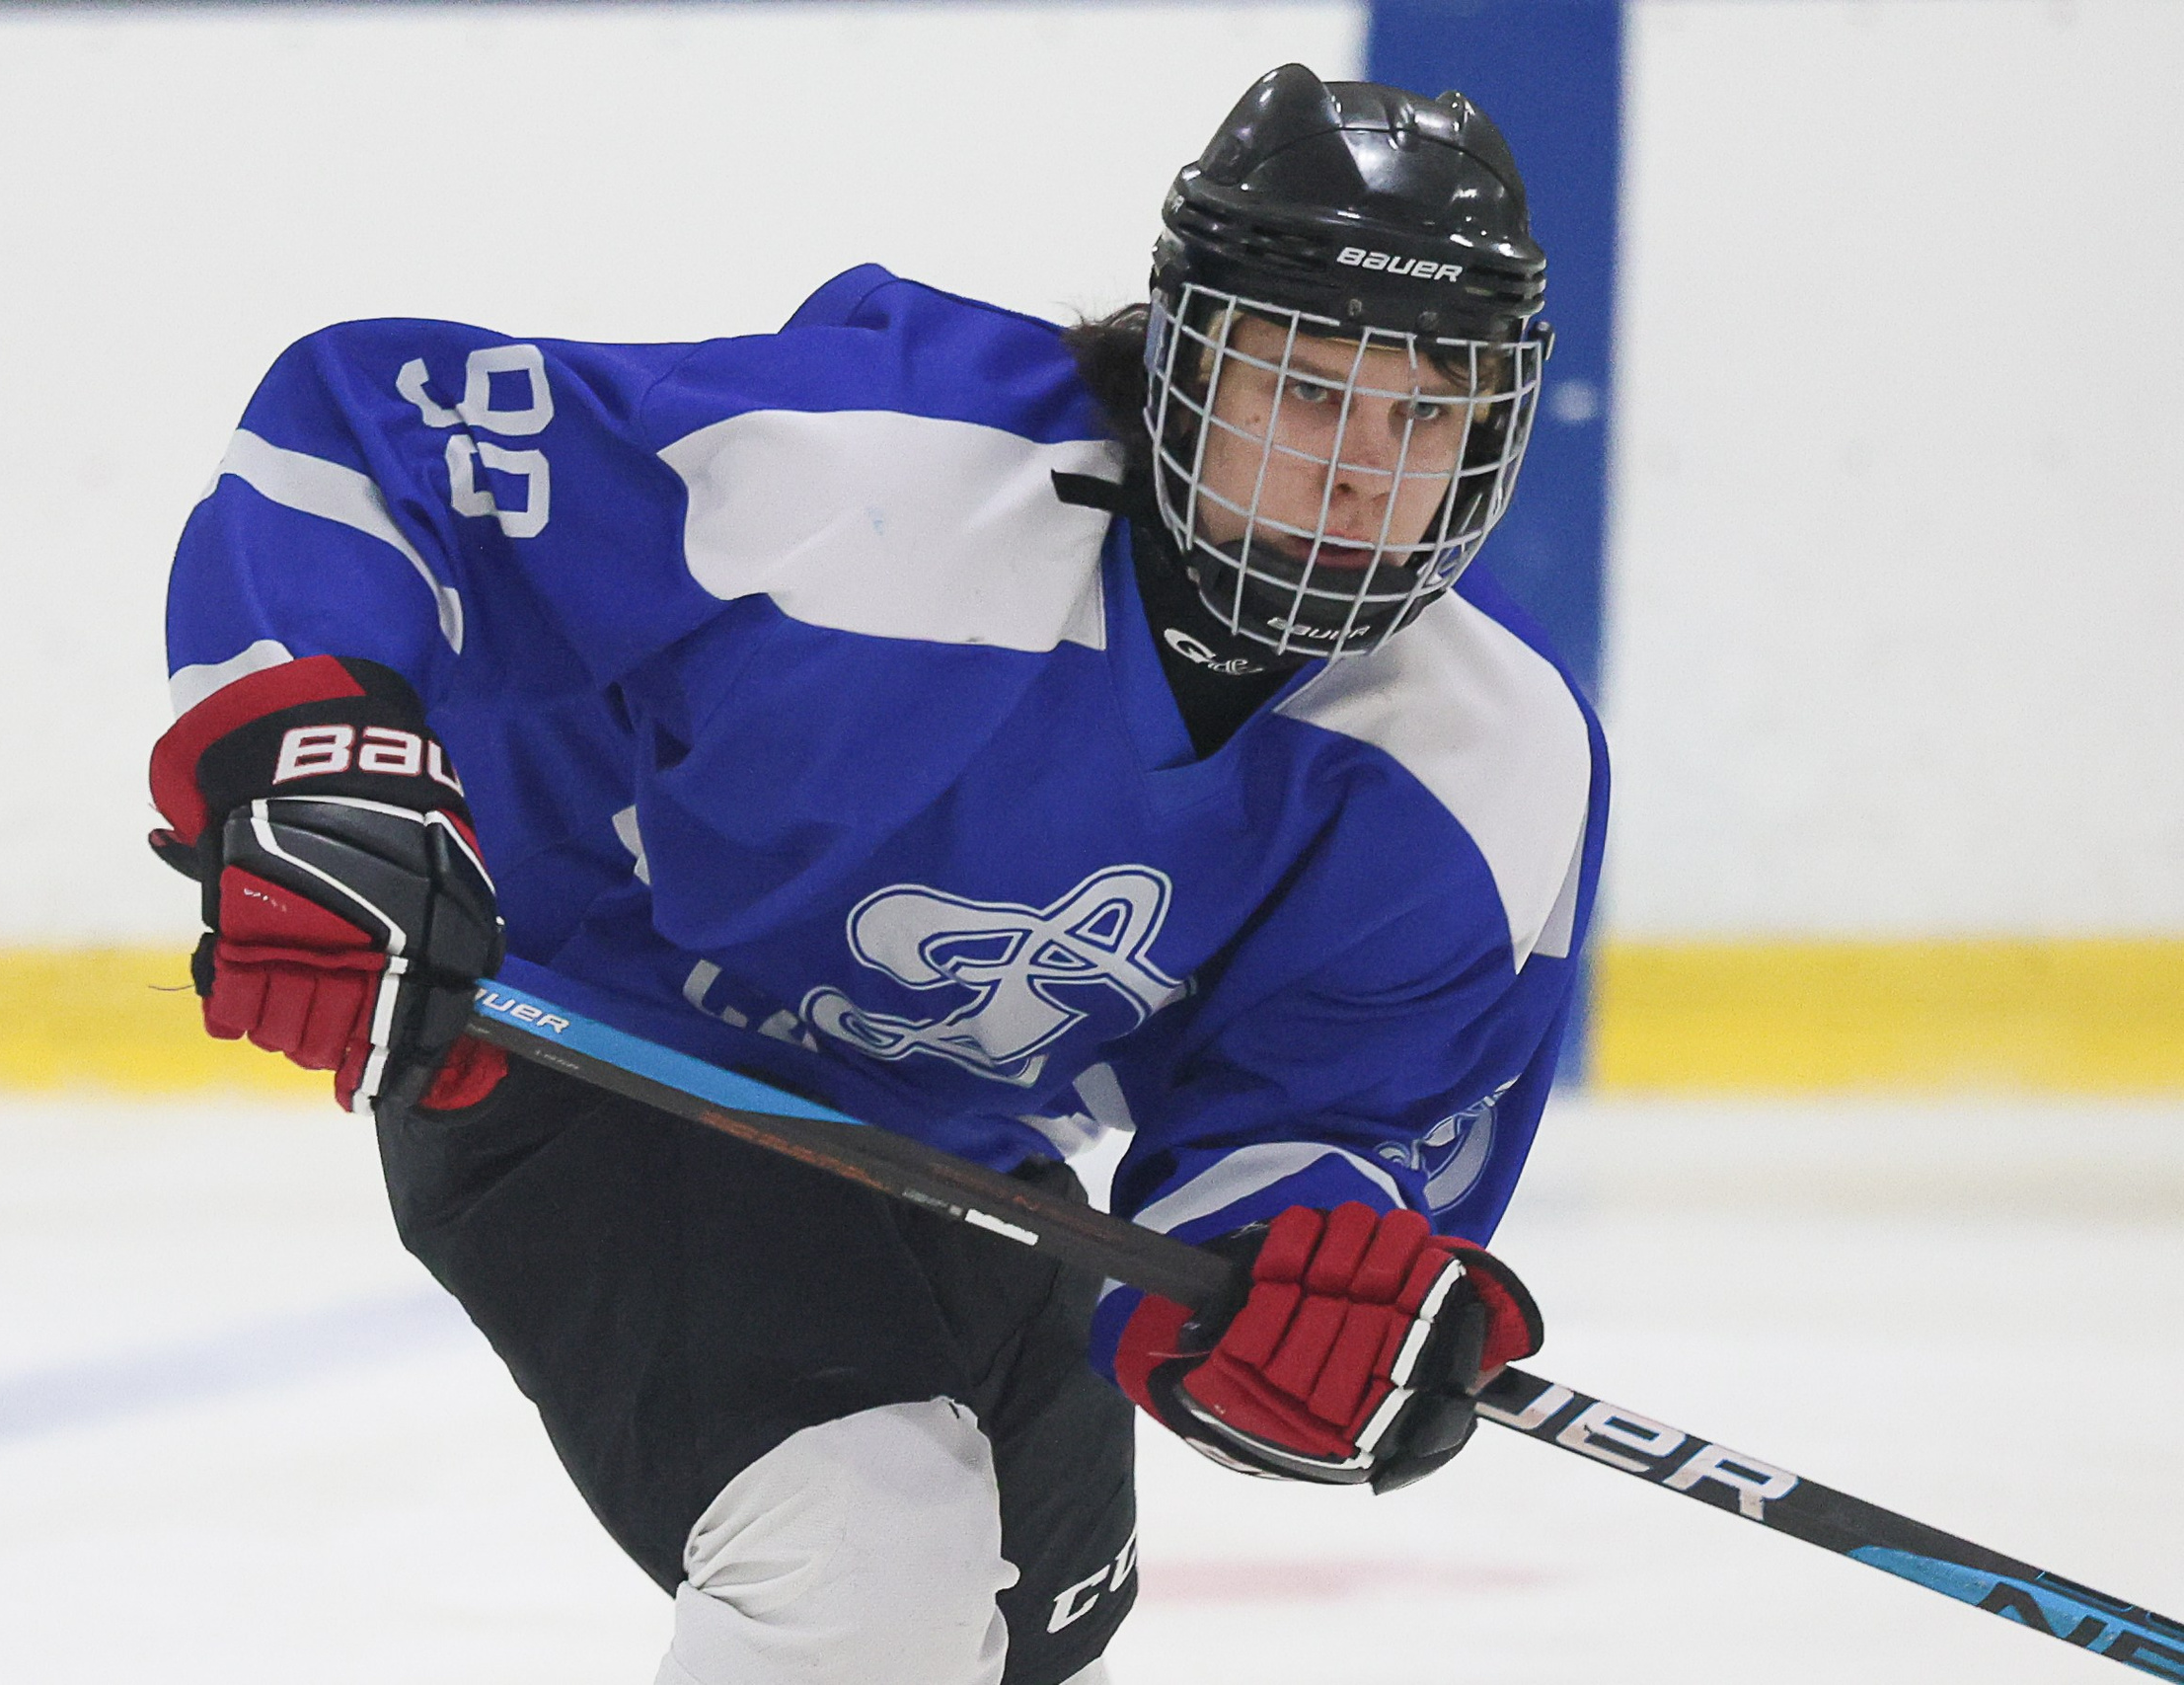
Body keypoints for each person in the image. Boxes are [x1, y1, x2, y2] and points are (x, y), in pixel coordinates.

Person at [146, 64, 1606, 1685]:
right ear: (1184, 359)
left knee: (1031, 1627)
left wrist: (1302, 1294)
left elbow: (1316, 1127)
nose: (1363, 473)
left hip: (961, 1151)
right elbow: (368, 428)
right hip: (591, 1043)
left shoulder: (1484, 755)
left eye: (1425, 413)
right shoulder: (871, 476)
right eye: (1307, 392)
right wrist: (317, 763)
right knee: (866, 1559)